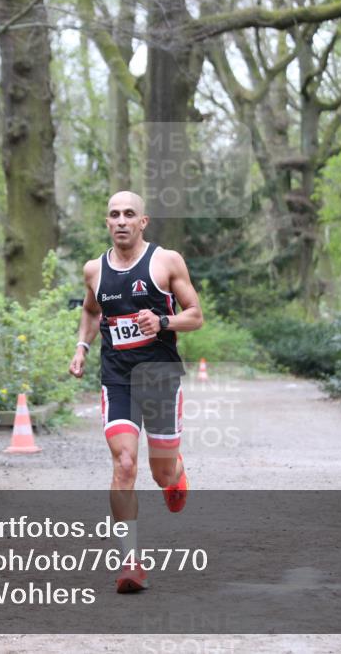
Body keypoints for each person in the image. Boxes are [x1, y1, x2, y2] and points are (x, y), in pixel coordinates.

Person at [68, 190, 203, 593]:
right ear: (107, 223)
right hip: (119, 379)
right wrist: (82, 347)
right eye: (114, 215)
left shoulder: (166, 262)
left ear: (143, 222)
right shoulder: (94, 270)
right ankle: (130, 561)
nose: (122, 220)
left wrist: (163, 323)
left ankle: (176, 475)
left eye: (130, 214)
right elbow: (92, 311)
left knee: (161, 474)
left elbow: (195, 316)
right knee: (124, 463)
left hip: (160, 378)